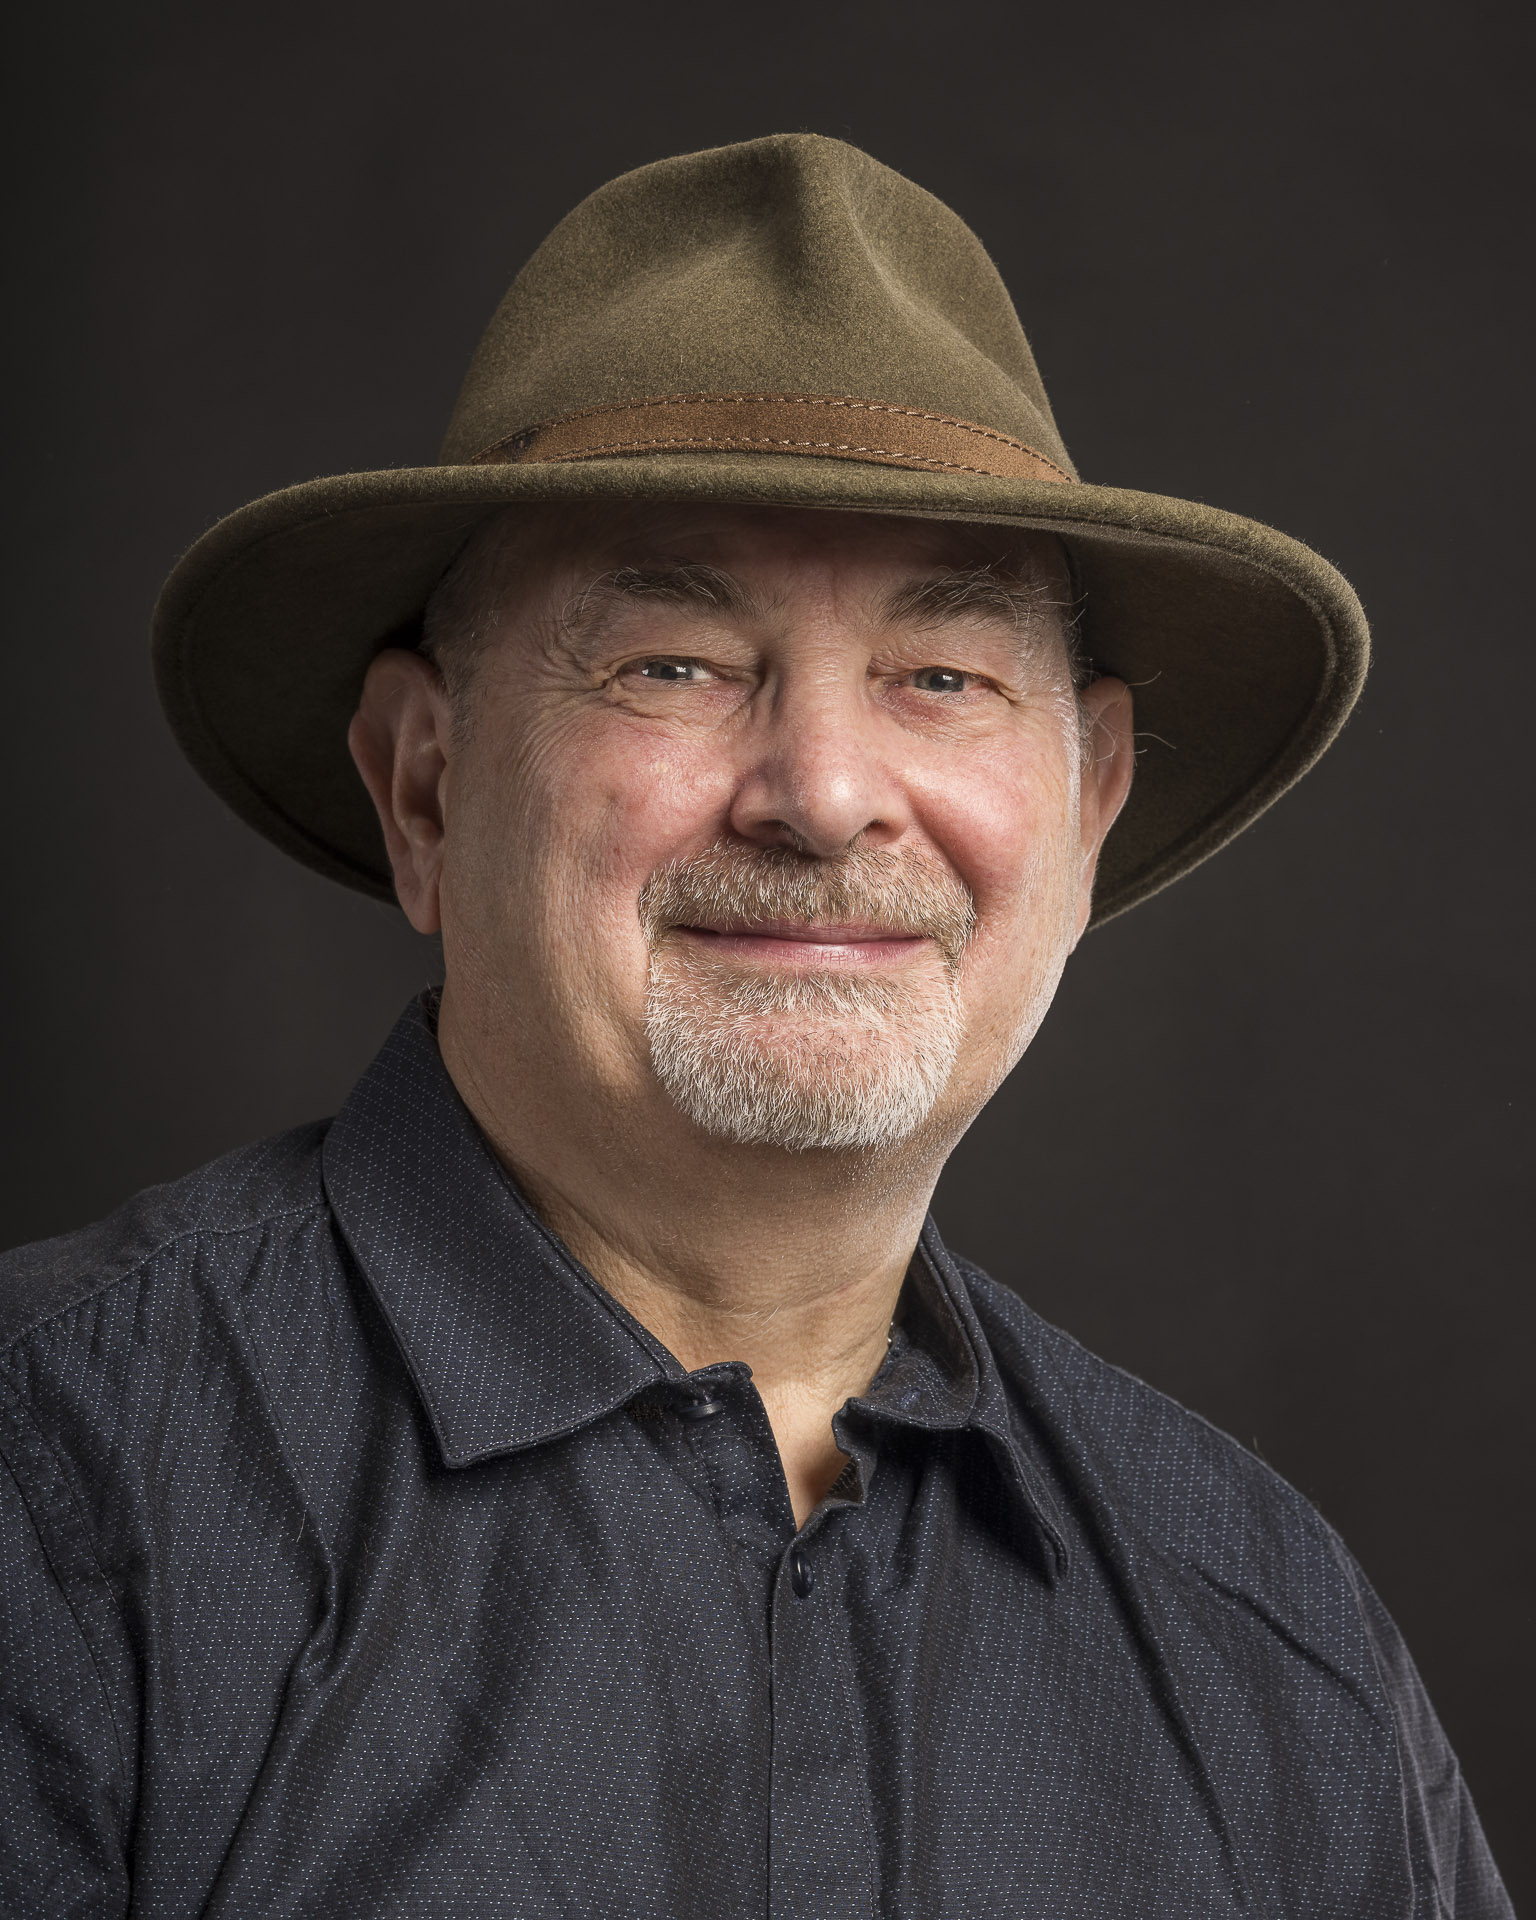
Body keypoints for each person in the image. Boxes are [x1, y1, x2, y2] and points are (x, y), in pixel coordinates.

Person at [0, 133, 1509, 1918]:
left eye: (941, 676)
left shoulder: (1278, 1654)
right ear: (426, 786)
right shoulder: (57, 1499)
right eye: (676, 665)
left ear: (1088, 806)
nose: (825, 790)